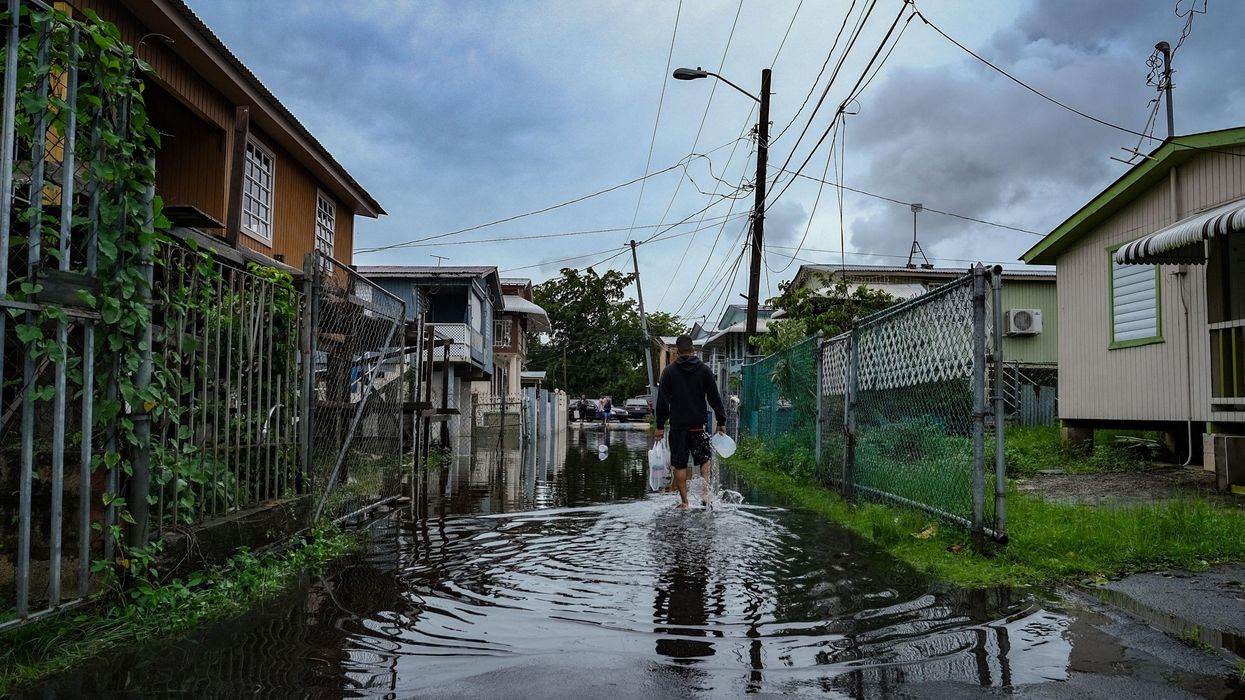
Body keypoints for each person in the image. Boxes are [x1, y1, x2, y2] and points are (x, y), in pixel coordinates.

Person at [654, 335, 727, 509]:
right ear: (693, 350)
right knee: (704, 460)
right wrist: (721, 420)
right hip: (698, 425)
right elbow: (714, 397)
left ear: (677, 352)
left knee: (679, 464)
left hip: (678, 426)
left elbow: (662, 402)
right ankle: (704, 495)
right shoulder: (704, 371)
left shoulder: (669, 372)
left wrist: (659, 426)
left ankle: (685, 502)